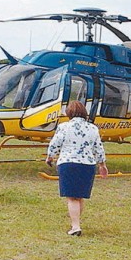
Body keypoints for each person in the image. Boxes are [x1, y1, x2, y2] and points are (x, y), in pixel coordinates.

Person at [46, 101, 108, 236]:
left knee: (71, 197)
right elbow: (98, 147)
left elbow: (55, 144)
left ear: (69, 113)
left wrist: (50, 157)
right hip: (87, 165)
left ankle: (75, 226)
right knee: (79, 197)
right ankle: (76, 222)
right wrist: (102, 164)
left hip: (68, 163)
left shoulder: (64, 127)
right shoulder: (93, 128)